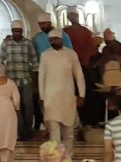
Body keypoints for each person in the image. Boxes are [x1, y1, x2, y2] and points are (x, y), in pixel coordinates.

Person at [39, 29, 85, 160]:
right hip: (50, 97)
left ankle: (68, 157)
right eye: (51, 40)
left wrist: (82, 94)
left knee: (69, 130)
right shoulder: (45, 55)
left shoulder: (71, 54)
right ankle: (56, 158)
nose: (53, 42)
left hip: (68, 96)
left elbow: (79, 75)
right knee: (53, 131)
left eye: (55, 39)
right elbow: (41, 77)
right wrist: (42, 97)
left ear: (61, 39)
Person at [0, 20, 37, 141]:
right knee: (15, 106)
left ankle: (28, 129)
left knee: (28, 105)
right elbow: (0, 61)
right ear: (12, 31)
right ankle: (18, 130)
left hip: (25, 79)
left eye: (19, 31)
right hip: (11, 81)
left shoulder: (28, 43)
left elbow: (35, 62)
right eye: (15, 31)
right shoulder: (6, 43)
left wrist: (35, 82)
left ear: (22, 31)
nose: (17, 33)